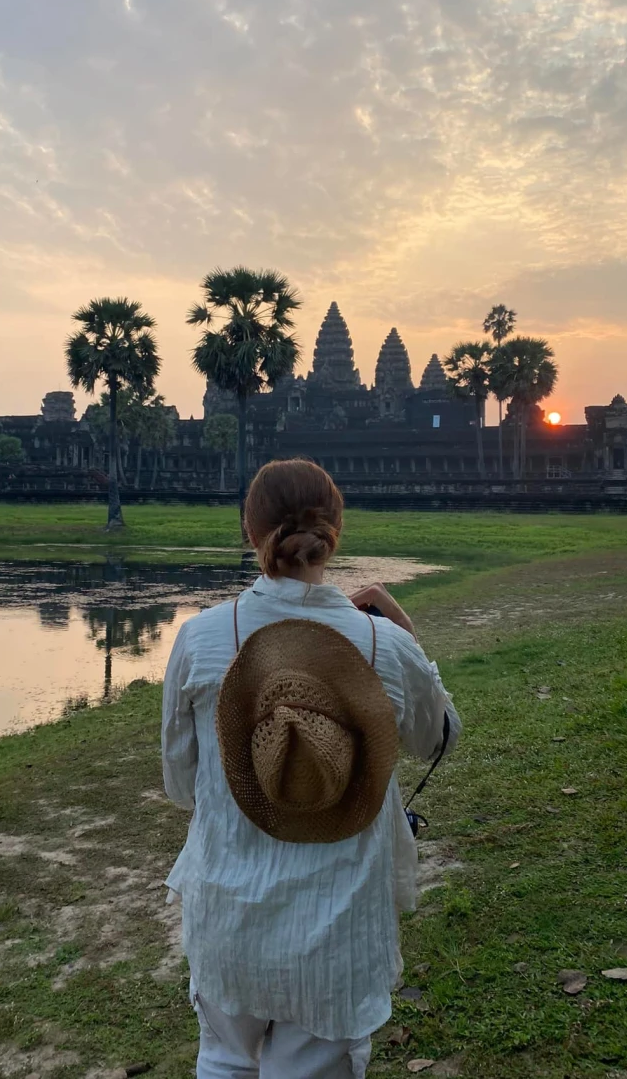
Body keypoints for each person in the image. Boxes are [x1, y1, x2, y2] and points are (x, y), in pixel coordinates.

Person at [162, 459, 461, 1078]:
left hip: (226, 913)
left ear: (251, 531)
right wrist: (407, 634)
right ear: (334, 531)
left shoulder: (201, 639)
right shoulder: (384, 643)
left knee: (222, 1061)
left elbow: (181, 784)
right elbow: (440, 739)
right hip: (338, 924)